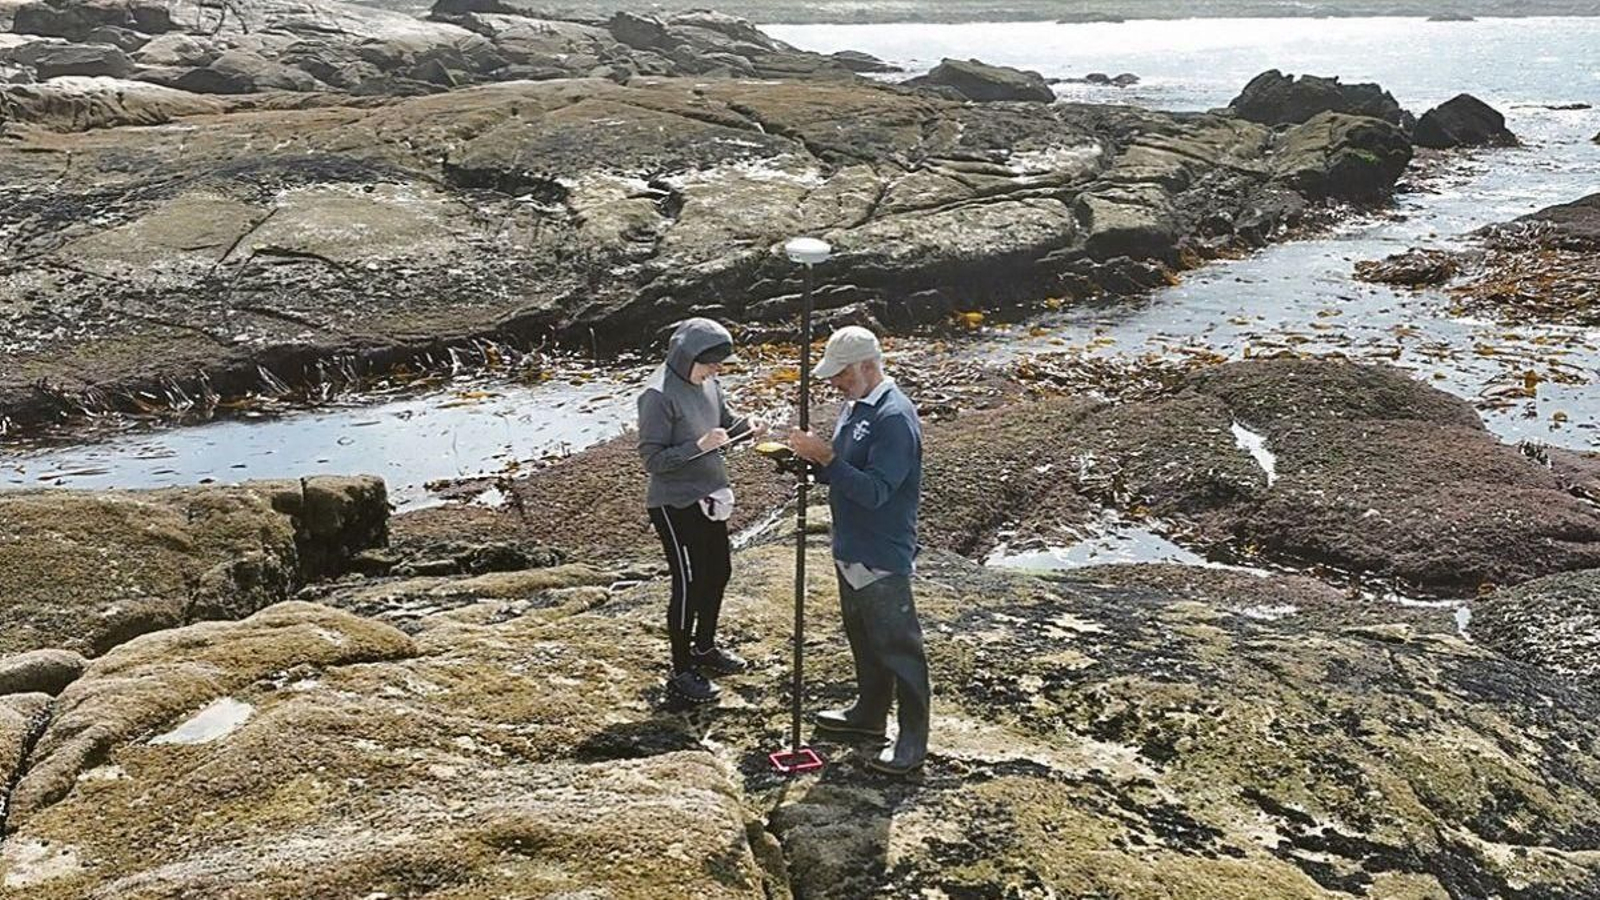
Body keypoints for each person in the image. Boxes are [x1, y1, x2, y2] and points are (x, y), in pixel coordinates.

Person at [787, 326, 930, 775]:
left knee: (900, 649)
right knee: (865, 640)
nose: (835, 383)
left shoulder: (893, 418)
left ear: (869, 365)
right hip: (851, 544)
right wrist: (811, 465)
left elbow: (876, 491)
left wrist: (827, 459)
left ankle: (912, 739)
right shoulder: (857, 406)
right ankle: (868, 715)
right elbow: (848, 468)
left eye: (841, 374)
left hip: (881, 550)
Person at [637, 318, 760, 705]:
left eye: (719, 365)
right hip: (673, 504)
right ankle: (681, 670)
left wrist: (747, 425)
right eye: (709, 364)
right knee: (688, 583)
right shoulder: (657, 395)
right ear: (687, 356)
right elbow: (652, 460)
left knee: (719, 571)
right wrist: (699, 445)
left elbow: (725, 420)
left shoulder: (709, 383)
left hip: (710, 496)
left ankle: (705, 648)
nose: (715, 371)